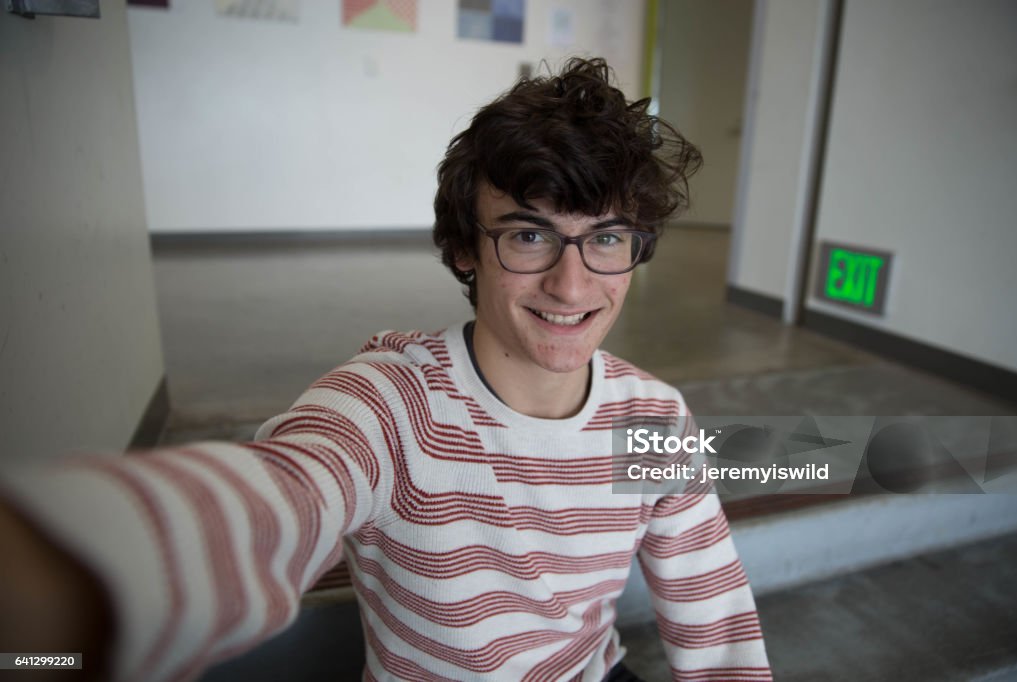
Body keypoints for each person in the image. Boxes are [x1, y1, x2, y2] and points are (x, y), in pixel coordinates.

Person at [0, 58, 771, 681]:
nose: (573, 287)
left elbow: (717, 619)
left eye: (606, 239)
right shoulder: (392, 407)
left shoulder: (654, 417)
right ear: (466, 249)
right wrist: (70, 574)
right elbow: (281, 497)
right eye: (529, 237)